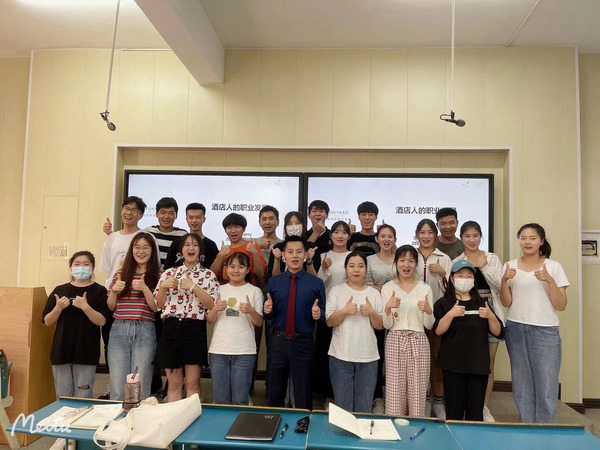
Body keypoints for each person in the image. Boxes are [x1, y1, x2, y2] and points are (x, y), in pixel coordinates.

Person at [501, 223, 569, 424]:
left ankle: (546, 431)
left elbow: (561, 305)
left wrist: (549, 280)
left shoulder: (553, 267)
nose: (527, 242)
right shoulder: (510, 266)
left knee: (546, 384)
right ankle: (527, 427)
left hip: (544, 330)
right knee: (521, 384)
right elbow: (506, 303)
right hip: (515, 328)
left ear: (541, 241)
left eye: (532, 238)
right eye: (523, 238)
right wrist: (503, 281)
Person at [433, 260, 504, 421]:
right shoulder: (444, 303)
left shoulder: (482, 303)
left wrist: (491, 316)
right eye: (460, 275)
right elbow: (438, 331)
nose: (465, 279)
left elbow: (498, 332)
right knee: (454, 413)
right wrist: (450, 314)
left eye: (469, 276)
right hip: (452, 366)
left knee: (475, 414)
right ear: (452, 279)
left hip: (478, 367)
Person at [264, 236, 326, 410]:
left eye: (299, 251)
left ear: (306, 254)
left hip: (303, 342)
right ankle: (274, 421)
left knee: (303, 391)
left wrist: (318, 314)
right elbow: (268, 314)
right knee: (275, 390)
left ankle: (303, 423)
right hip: (278, 341)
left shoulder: (316, 283)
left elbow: (323, 314)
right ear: (283, 255)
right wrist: (267, 311)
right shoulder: (274, 282)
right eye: (290, 252)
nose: (294, 256)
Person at [154, 233, 218, 402]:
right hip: (171, 328)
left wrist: (194, 287)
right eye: (187, 245)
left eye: (195, 245)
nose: (191, 248)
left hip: (194, 329)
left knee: (192, 383)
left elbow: (212, 304)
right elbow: (158, 305)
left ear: (200, 251)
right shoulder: (169, 273)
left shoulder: (208, 275)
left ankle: (192, 416)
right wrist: (163, 287)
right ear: (181, 250)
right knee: (174, 384)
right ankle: (174, 417)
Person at [453, 221, 505, 422]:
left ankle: (483, 406)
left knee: (488, 363)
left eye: (475, 235)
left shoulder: (491, 258)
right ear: (461, 238)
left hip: (490, 311)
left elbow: (501, 287)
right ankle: (469, 405)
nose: (472, 240)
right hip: (467, 315)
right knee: (467, 361)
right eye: (467, 236)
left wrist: (485, 268)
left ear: (481, 237)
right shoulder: (457, 261)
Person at [42, 251, 110, 398]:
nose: (81, 268)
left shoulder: (99, 291)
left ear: (92, 267)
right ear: (71, 267)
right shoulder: (60, 290)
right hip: (61, 351)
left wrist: (85, 307)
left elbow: (102, 321)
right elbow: (47, 321)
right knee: (63, 396)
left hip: (86, 352)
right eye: (77, 264)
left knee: (83, 396)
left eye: (86, 264)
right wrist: (58, 308)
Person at [99, 195, 148, 398]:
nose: (129, 212)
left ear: (141, 215)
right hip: (113, 294)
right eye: (126, 208)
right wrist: (113, 290)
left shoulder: (145, 237)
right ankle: (115, 386)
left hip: (137, 298)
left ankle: (136, 392)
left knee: (140, 351)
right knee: (112, 344)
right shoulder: (111, 237)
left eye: (134, 210)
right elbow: (107, 268)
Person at [326, 252, 383, 413]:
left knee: (364, 407)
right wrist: (344, 311)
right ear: (345, 269)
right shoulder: (336, 291)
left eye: (360, 266)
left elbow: (379, 326)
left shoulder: (374, 293)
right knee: (343, 408)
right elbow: (329, 321)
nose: (356, 270)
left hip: (368, 357)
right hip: (340, 356)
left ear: (366, 269)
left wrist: (371, 312)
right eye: (351, 266)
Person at [107, 232, 161, 401]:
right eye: (137, 247)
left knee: (140, 385)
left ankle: (139, 417)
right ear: (131, 250)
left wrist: (145, 288)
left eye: (146, 248)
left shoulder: (158, 276)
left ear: (152, 251)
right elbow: (111, 306)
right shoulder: (121, 274)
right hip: (119, 328)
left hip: (144, 329)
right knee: (117, 386)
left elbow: (156, 307)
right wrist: (114, 291)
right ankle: (117, 417)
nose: (141, 251)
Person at [381, 245, 434, 417]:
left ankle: (416, 427)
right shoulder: (388, 287)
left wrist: (428, 311)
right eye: (402, 260)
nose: (406, 265)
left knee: (417, 389)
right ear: (396, 263)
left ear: (416, 264)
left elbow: (429, 325)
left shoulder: (425, 288)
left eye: (411, 261)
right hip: (395, 340)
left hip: (419, 340)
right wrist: (387, 308)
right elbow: (386, 324)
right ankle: (395, 425)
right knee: (395, 389)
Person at [207, 253, 264, 405]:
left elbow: (259, 323)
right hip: (219, 350)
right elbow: (210, 320)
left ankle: (240, 422)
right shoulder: (218, 289)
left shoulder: (255, 291)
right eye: (232, 266)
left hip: (244, 351)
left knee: (240, 399)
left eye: (241, 267)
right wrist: (215, 309)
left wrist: (251, 311)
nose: (236, 270)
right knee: (220, 400)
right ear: (226, 269)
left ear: (248, 270)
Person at [415, 218, 452, 419]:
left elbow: (453, 290)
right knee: (417, 360)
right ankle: (421, 399)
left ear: (435, 235)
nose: (426, 236)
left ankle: (437, 400)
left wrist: (443, 274)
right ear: (416, 235)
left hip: (437, 315)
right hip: (413, 315)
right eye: (422, 232)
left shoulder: (444, 258)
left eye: (430, 232)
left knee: (437, 358)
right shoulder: (410, 255)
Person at [314, 221, 351, 408]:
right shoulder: (323, 256)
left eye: (344, 232)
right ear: (330, 236)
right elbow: (317, 284)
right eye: (336, 232)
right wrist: (324, 269)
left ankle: (345, 394)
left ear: (349, 236)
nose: (340, 235)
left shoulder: (353, 257)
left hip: (349, 312)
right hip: (328, 312)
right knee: (327, 354)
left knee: (345, 355)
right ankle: (329, 395)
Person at [365, 224, 397, 413]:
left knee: (394, 357)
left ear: (395, 239)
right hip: (376, 311)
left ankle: (393, 397)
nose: (386, 239)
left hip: (397, 312)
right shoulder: (369, 260)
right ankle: (377, 397)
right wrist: (386, 289)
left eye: (390, 236)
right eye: (383, 236)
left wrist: (381, 288)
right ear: (377, 239)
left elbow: (405, 281)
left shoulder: (400, 259)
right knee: (377, 356)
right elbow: (367, 283)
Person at [251, 205, 282, 392]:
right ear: (259, 222)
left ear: (277, 221)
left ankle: (272, 387)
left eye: (271, 218)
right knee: (251, 344)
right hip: (253, 300)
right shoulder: (252, 244)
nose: (267, 222)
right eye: (264, 219)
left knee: (274, 347)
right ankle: (248, 386)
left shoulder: (284, 246)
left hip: (276, 302)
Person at [210, 213, 266, 286]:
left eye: (237, 227)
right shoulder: (224, 251)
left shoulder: (252, 247)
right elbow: (211, 276)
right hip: (226, 290)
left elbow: (260, 274)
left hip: (248, 289)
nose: (233, 231)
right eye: (229, 228)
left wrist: (255, 253)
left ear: (244, 229)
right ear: (225, 230)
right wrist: (220, 256)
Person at [164, 202, 219, 271]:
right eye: (191, 217)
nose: (194, 221)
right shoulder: (177, 243)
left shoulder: (211, 245)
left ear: (204, 219)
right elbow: (167, 269)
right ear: (186, 219)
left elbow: (213, 272)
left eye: (198, 218)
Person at [268, 211, 318, 277]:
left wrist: (309, 261)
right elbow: (275, 279)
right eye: (289, 223)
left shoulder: (311, 248)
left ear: (303, 226)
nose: (294, 226)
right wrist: (277, 260)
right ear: (285, 227)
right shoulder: (278, 248)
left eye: (297, 223)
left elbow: (315, 278)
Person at [144, 197, 188, 268]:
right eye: (162, 212)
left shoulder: (182, 235)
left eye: (171, 213)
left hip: (174, 273)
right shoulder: (148, 232)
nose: (166, 216)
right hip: (151, 273)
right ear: (156, 214)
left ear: (176, 215)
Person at [306, 200, 332, 272]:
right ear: (309, 215)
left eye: (321, 211)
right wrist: (316, 233)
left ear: (327, 215)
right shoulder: (304, 235)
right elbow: (304, 252)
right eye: (314, 211)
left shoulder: (332, 235)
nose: (318, 214)